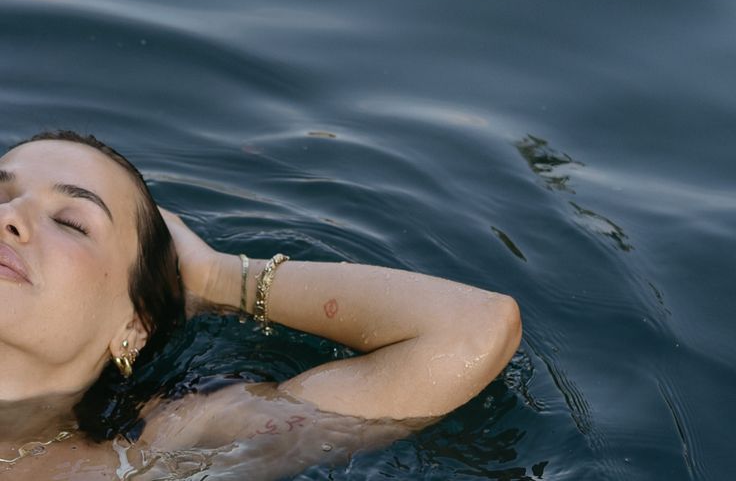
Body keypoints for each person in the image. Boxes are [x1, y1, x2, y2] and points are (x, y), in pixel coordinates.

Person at [0, 130, 521, 479]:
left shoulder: (149, 460)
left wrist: (216, 276)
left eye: (71, 223)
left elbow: (469, 329)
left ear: (133, 327)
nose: (11, 216)